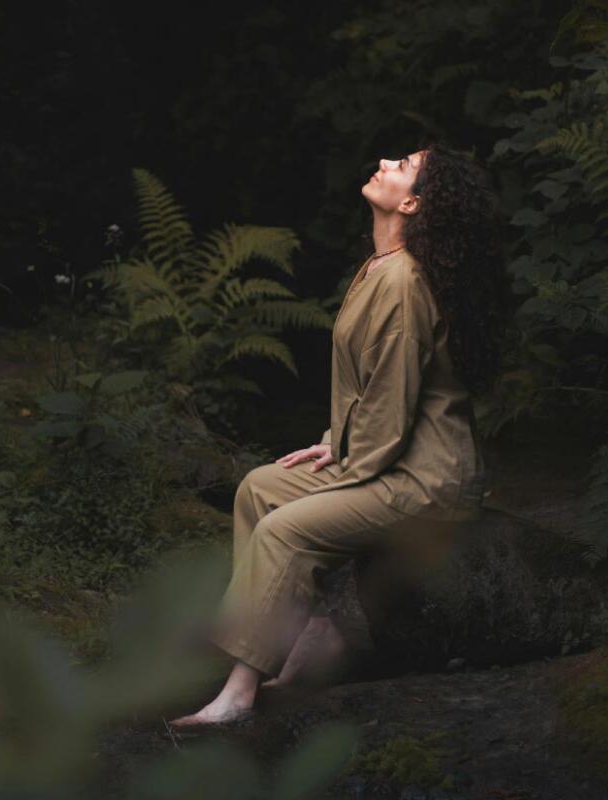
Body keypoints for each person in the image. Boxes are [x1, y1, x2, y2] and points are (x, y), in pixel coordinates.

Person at [169, 139, 508, 728]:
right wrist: (334, 440)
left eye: (404, 166)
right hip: (391, 458)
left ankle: (239, 694)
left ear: (412, 205)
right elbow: (368, 388)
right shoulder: (380, 266)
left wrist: (347, 459)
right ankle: (309, 635)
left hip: (427, 480)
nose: (385, 163)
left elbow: (391, 404)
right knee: (260, 489)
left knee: (284, 529)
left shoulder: (402, 282)